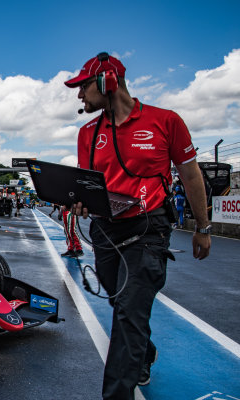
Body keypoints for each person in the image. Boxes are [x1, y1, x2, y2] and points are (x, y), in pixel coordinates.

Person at [65, 52, 210, 399]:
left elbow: (190, 174)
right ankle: (144, 352)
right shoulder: (88, 133)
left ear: (106, 82)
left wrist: (203, 227)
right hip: (106, 230)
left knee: (130, 311)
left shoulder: (166, 121)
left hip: (149, 229)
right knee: (121, 304)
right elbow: (90, 184)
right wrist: (80, 202)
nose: (79, 96)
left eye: (83, 87)